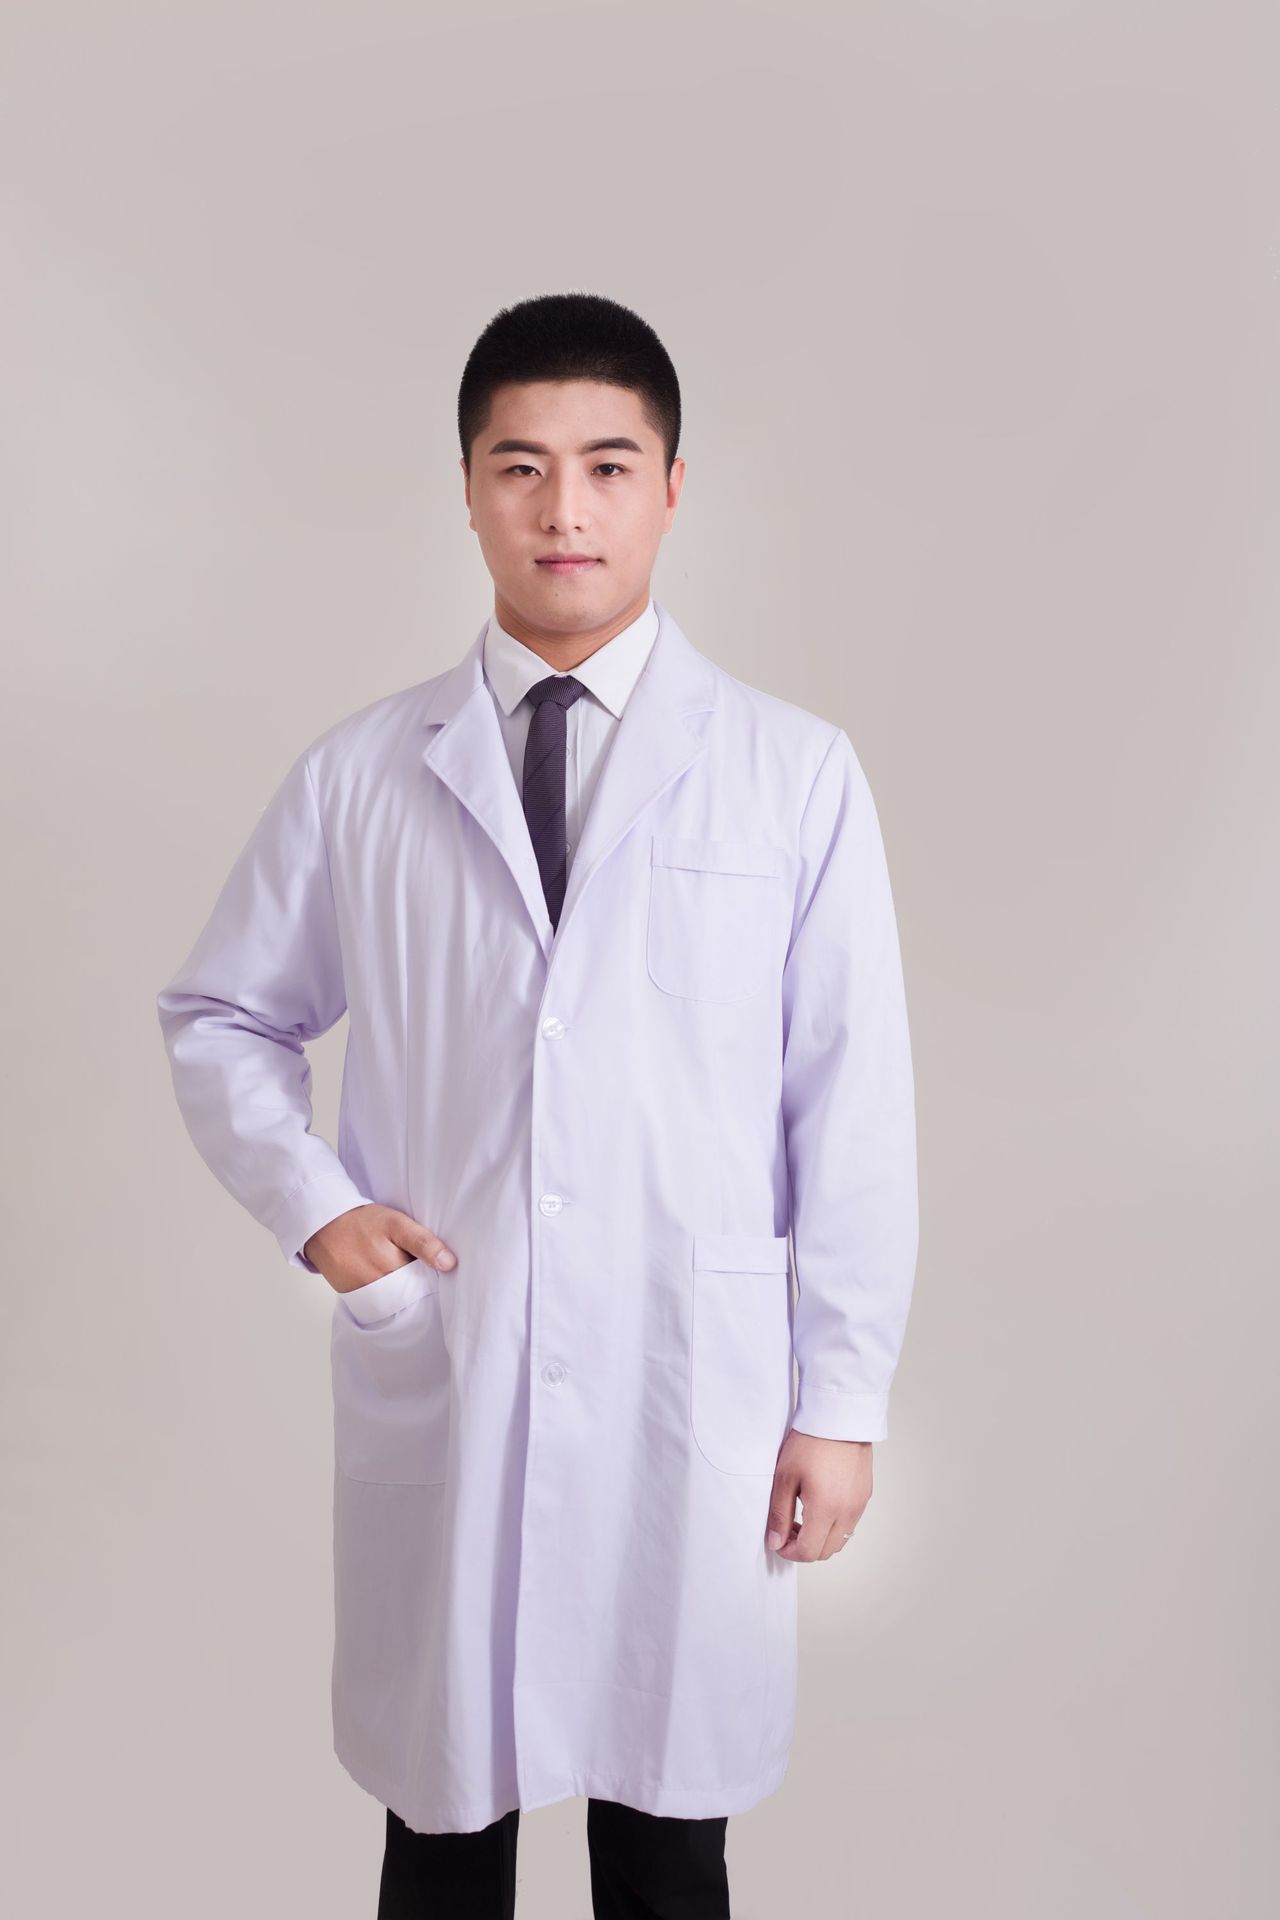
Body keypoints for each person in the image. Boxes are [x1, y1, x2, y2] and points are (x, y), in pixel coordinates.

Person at [156, 290, 920, 1919]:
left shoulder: (791, 774)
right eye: (521, 467)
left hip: (690, 1382)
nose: (564, 510)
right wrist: (318, 1211)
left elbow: (850, 1104)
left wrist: (842, 1399)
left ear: (672, 488)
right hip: (459, 1351)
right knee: (442, 1835)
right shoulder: (366, 771)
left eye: (607, 466)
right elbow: (223, 1014)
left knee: (668, 1849)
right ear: (467, 489)